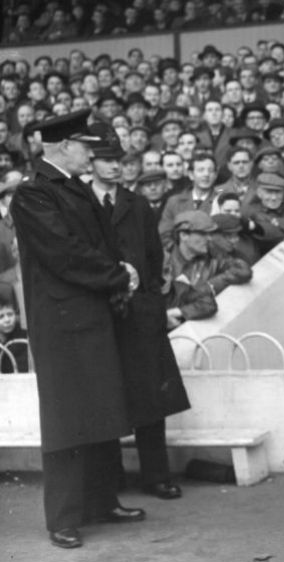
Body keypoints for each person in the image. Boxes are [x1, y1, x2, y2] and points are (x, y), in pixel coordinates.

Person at [10, 110, 145, 549]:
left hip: (90, 317)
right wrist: (116, 274)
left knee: (102, 411)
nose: (92, 152)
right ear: (62, 146)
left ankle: (102, 501)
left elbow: (96, 246)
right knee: (67, 421)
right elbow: (64, 253)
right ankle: (63, 518)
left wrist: (119, 268)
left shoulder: (72, 190)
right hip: (63, 325)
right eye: (85, 145)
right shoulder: (32, 196)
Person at [87, 122, 190, 501]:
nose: (115, 167)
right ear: (91, 162)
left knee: (151, 398)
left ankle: (156, 475)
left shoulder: (137, 205)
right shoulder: (81, 202)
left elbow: (153, 255)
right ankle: (111, 476)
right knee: (106, 395)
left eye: (119, 160)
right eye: (106, 160)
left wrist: (148, 300)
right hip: (101, 312)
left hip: (139, 312)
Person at [164, 210, 253, 329]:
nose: (209, 238)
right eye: (203, 234)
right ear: (184, 235)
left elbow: (243, 270)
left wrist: (209, 286)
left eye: (210, 234)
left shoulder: (214, 256)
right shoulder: (163, 259)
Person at [241, 172, 284, 255]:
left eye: (278, 192)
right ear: (259, 193)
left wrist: (276, 221)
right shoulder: (250, 211)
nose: (274, 198)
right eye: (269, 192)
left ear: (283, 193)